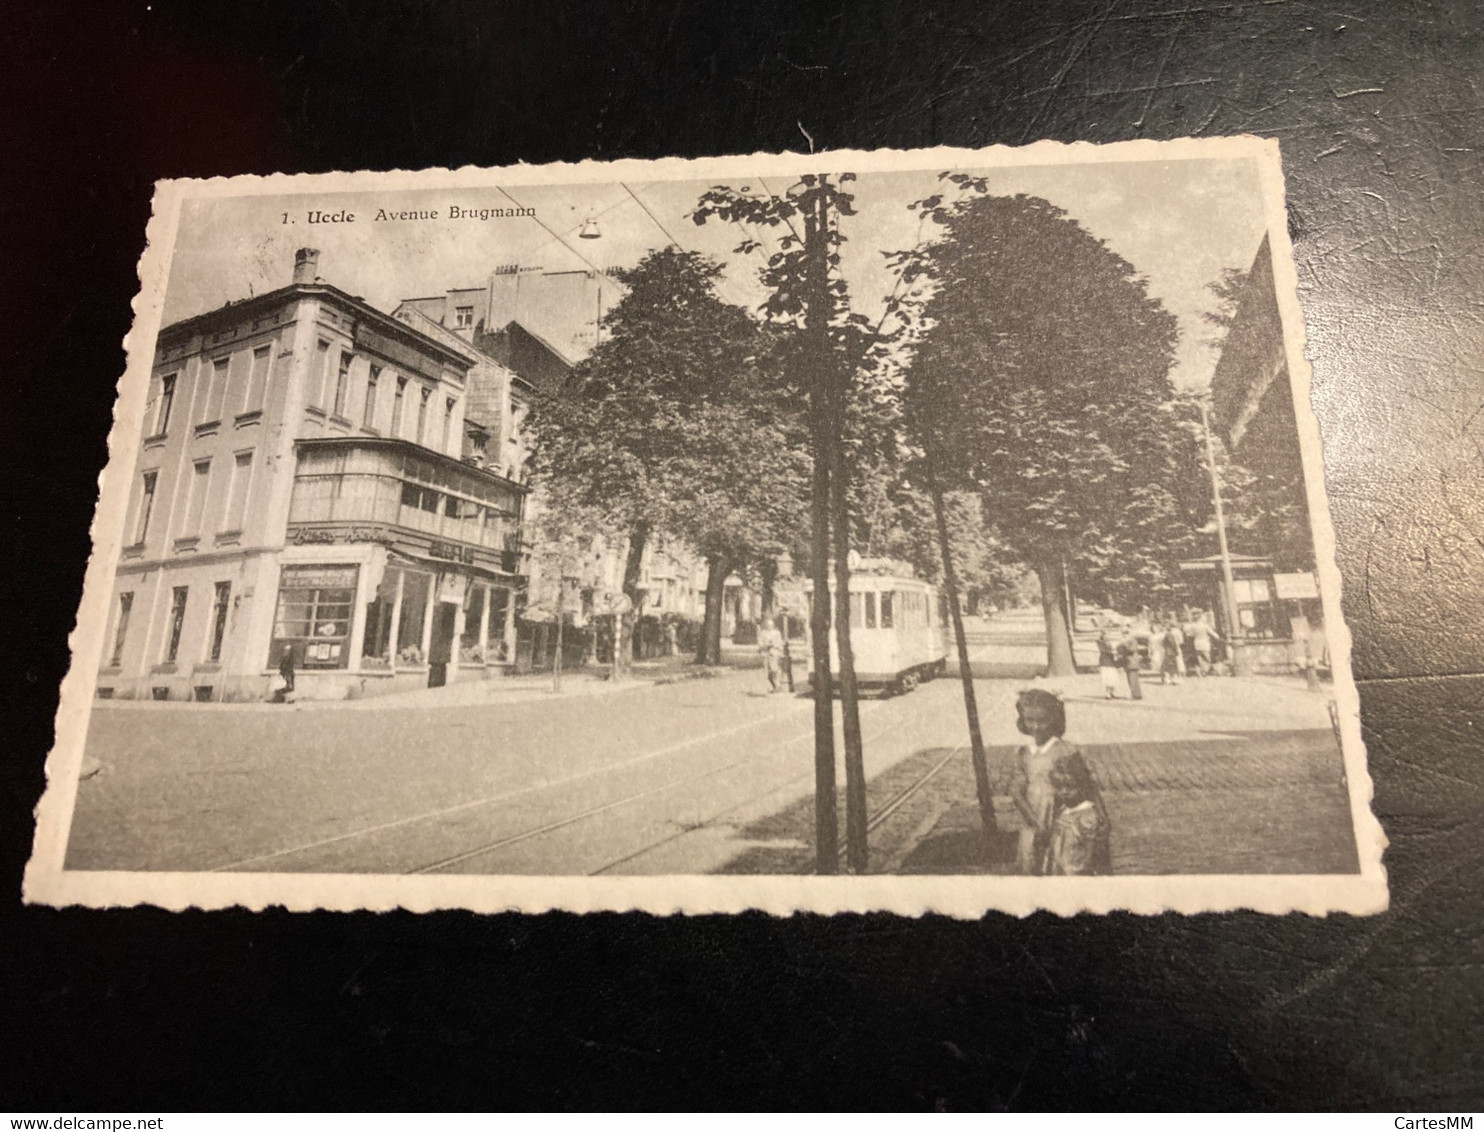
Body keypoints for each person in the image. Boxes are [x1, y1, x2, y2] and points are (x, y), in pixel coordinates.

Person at [1009, 689, 1100, 875]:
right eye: (1030, 720)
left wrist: (1101, 813)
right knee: (1031, 858)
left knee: (1060, 861)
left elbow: (1087, 783)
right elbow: (1016, 790)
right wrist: (1035, 823)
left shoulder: (1064, 750)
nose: (1036, 726)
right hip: (1032, 814)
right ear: (1022, 721)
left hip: (1060, 815)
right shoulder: (1023, 753)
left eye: (1042, 721)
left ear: (1053, 719)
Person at [1045, 755, 1113, 875]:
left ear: (1082, 786)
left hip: (1076, 872)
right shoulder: (1062, 811)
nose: (1064, 792)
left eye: (1070, 787)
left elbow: (1090, 854)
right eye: (1059, 787)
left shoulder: (1087, 816)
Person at [757, 617, 783, 693]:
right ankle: (775, 686)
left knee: (774, 669)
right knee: (768, 673)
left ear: (773, 625)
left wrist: (775, 646)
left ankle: (777, 685)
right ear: (766, 625)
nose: (769, 626)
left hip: (774, 653)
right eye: (768, 625)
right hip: (766, 654)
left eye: (771, 625)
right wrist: (765, 645)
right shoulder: (763, 633)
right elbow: (760, 643)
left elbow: (779, 643)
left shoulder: (777, 633)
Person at [1118, 628, 1143, 700]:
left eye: (1125, 634)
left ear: (1128, 634)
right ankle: (1136, 694)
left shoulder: (1132, 641)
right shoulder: (1126, 641)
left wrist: (1124, 645)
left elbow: (1132, 650)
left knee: (1133, 679)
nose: (1124, 635)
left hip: (1132, 661)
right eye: (1123, 634)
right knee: (1130, 678)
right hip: (1127, 661)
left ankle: (1134, 694)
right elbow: (1119, 649)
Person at [1096, 630, 1122, 699]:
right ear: (1103, 635)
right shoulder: (1101, 643)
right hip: (1105, 662)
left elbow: (1110, 650)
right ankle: (1107, 693)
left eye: (1108, 635)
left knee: (1113, 678)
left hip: (1110, 662)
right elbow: (1106, 651)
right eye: (1106, 635)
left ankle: (1111, 692)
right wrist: (1114, 653)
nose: (1108, 636)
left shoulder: (1108, 643)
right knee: (1107, 678)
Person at [1160, 620, 1183, 685]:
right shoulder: (1169, 634)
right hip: (1171, 652)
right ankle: (1173, 679)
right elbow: (1173, 644)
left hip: (1167, 651)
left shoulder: (1166, 634)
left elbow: (1163, 643)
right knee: (1172, 666)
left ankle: (1167, 679)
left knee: (1167, 666)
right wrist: (1176, 650)